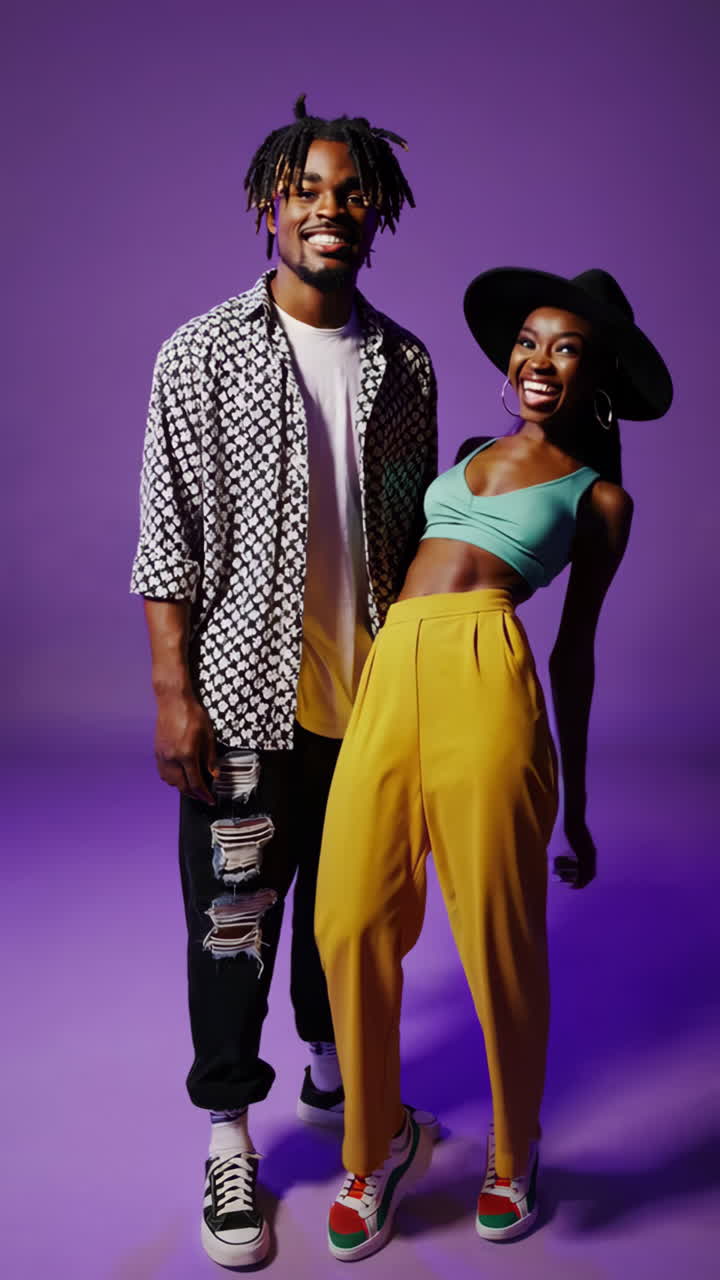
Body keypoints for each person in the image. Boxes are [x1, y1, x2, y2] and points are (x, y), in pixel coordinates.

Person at [130, 96, 438, 1267]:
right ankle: (226, 1132)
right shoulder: (199, 352)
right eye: (307, 189)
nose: (329, 208)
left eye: (350, 191)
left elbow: (412, 539)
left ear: (377, 212)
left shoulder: (405, 364)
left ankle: (331, 1070)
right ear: (272, 206)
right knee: (232, 923)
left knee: (346, 912)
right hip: (245, 701)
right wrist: (173, 691)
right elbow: (168, 537)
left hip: (371, 707)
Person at [315, 267, 673, 1261]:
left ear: (593, 372)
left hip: (488, 675)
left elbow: (576, 649)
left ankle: (514, 1151)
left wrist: (582, 804)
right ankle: (379, 1139)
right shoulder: (467, 451)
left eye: (564, 346)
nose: (538, 359)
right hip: (395, 667)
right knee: (346, 914)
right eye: (528, 340)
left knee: (498, 935)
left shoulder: (598, 496)